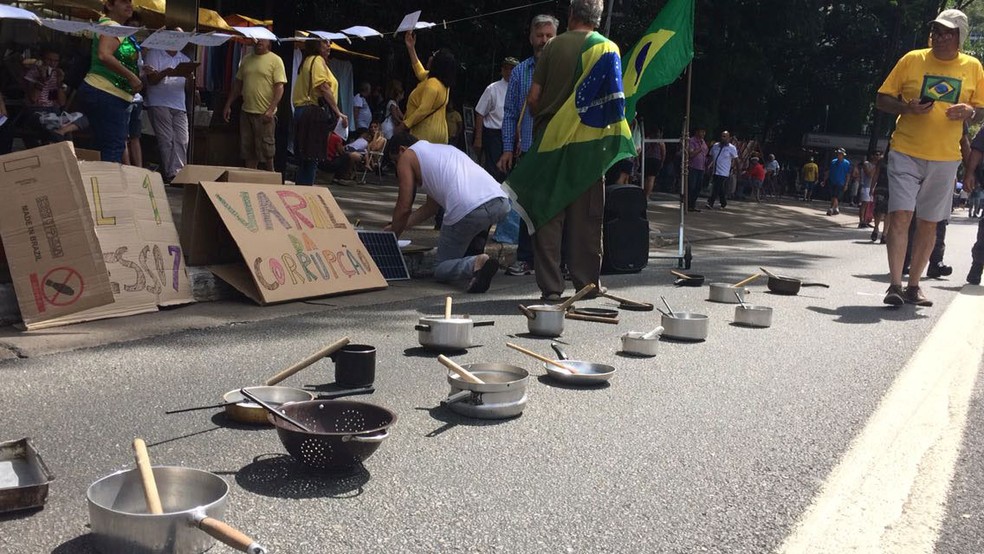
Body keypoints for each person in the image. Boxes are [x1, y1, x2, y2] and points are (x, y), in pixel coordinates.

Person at [875, 8, 984, 306]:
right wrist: (907, 108)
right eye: (936, 31)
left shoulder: (973, 67)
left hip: (946, 157)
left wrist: (970, 112)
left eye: (947, 32)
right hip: (906, 151)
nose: (940, 37)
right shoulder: (912, 60)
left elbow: (982, 110)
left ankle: (914, 286)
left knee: (929, 222)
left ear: (960, 36)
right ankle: (894, 285)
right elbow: (882, 99)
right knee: (900, 214)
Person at [522, 0, 629, 300]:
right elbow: (616, 107)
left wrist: (543, 119)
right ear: (597, 18)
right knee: (587, 217)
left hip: (551, 143)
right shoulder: (609, 49)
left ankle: (551, 288)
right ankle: (586, 284)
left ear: (571, 15)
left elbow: (534, 98)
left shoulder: (552, 48)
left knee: (548, 214)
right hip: (589, 148)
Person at [384, 132, 509, 293]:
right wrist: (398, 224)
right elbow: (431, 207)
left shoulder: (407, 157)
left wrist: (392, 235)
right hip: (500, 201)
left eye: (395, 161)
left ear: (401, 149)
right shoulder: (440, 152)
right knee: (472, 230)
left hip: (468, 209)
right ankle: (476, 266)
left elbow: (404, 206)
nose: (397, 167)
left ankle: (476, 262)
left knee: (440, 268)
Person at [497, 14, 559, 277]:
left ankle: (558, 261)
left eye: (548, 35)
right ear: (531, 37)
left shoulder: (564, 69)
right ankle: (525, 258)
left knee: (556, 207)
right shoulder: (521, 71)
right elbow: (510, 112)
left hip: (557, 150)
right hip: (528, 150)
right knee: (526, 207)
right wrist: (508, 148)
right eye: (539, 35)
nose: (543, 41)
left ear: (557, 37)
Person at [77, 0, 142, 163]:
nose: (129, 5)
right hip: (106, 92)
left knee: (105, 145)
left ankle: (99, 185)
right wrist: (132, 77)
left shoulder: (108, 25)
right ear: (110, 6)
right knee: (114, 146)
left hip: (101, 92)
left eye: (130, 2)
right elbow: (104, 55)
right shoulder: (113, 26)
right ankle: (108, 187)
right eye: (123, 2)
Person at [222, 39, 287, 171]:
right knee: (248, 150)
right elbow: (238, 85)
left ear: (269, 42)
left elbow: (279, 87)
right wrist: (228, 104)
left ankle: (271, 178)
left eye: (262, 40)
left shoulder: (275, 60)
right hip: (246, 111)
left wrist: (271, 109)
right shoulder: (246, 60)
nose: (258, 42)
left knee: (267, 150)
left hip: (264, 113)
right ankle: (251, 178)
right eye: (256, 39)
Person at [292, 39, 346, 186]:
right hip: (312, 112)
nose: (329, 45)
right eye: (324, 42)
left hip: (303, 110)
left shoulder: (308, 60)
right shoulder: (317, 60)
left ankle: (302, 189)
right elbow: (323, 87)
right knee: (311, 158)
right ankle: (306, 192)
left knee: (306, 158)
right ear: (316, 45)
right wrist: (338, 112)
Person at [144, 38, 195, 182]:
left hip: (178, 103)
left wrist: (190, 78)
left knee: (182, 139)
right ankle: (171, 174)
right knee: (166, 139)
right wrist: (165, 72)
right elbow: (151, 81)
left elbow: (189, 89)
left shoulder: (184, 59)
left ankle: (177, 172)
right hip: (159, 101)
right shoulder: (155, 54)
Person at [400, 31, 455, 145]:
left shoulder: (432, 84)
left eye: (434, 56)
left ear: (438, 63)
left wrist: (404, 125)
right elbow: (419, 71)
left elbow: (423, 110)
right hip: (439, 134)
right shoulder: (442, 83)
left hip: (425, 134)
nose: (430, 57)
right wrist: (411, 48)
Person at [474, 57, 518, 181]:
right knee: (493, 170)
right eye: (507, 68)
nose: (509, 72)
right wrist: (478, 138)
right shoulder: (492, 89)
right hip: (494, 134)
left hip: (512, 134)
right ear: (502, 70)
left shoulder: (520, 89)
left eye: (512, 69)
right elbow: (480, 112)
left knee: (509, 169)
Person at [704, 130, 739, 210]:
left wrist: (738, 171)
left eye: (725, 136)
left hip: (724, 172)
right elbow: (710, 157)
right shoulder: (715, 146)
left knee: (716, 187)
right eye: (722, 136)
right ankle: (723, 202)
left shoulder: (732, 148)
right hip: (715, 170)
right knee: (719, 188)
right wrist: (707, 167)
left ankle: (711, 203)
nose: (723, 138)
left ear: (728, 138)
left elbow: (736, 160)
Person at [822, 148, 851, 216]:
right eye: (838, 154)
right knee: (833, 196)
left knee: (836, 196)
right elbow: (828, 171)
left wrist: (846, 184)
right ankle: (836, 208)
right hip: (832, 181)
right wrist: (824, 180)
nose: (839, 155)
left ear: (843, 155)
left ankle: (831, 209)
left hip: (841, 182)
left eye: (840, 154)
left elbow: (848, 174)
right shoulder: (833, 161)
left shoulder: (846, 163)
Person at [858, 151, 882, 229]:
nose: (878, 156)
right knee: (864, 204)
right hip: (866, 186)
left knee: (870, 206)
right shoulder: (866, 164)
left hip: (873, 186)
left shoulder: (878, 166)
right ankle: (861, 221)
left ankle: (866, 221)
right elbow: (870, 174)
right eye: (877, 155)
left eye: (879, 155)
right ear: (872, 156)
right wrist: (876, 166)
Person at [686, 128, 708, 212]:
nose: (703, 133)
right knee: (691, 186)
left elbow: (705, 153)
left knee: (698, 187)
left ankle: (693, 204)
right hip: (693, 167)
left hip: (701, 168)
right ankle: (688, 205)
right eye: (701, 131)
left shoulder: (703, 142)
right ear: (697, 132)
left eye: (704, 132)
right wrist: (700, 149)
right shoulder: (692, 141)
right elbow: (691, 154)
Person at [644, 127, 666, 198]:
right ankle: (647, 195)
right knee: (651, 178)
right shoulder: (660, 141)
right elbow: (663, 152)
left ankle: (644, 194)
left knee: (646, 178)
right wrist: (662, 161)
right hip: (656, 160)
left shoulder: (647, 139)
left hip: (647, 159)